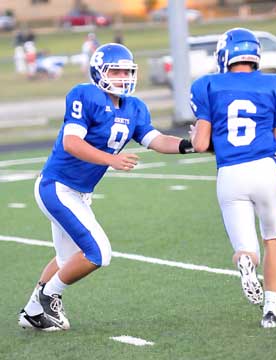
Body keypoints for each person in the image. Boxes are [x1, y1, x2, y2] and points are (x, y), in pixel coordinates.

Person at [18, 42, 194, 331]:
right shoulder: (84, 95)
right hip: (57, 187)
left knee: (66, 258)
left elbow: (157, 140)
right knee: (99, 252)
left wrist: (192, 146)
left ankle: (33, 311)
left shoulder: (135, 107)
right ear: (99, 72)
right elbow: (71, 142)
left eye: (127, 70)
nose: (123, 76)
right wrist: (111, 159)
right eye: (116, 70)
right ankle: (50, 295)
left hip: (78, 192)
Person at [189, 28, 276, 328]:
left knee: (246, 249)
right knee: (272, 239)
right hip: (265, 170)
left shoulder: (208, 85)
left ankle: (247, 263)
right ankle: (271, 312)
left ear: (225, 55)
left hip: (231, 174)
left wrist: (200, 137)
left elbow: (200, 144)